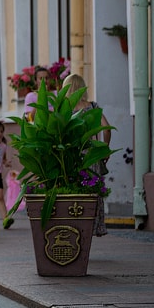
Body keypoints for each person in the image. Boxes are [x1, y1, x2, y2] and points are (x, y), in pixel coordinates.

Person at [61, 72, 110, 237]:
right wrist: (104, 149)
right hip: (91, 153)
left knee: (73, 190)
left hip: (71, 155)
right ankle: (94, 226)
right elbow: (106, 127)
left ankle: (73, 226)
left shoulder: (65, 108)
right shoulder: (92, 106)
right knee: (92, 190)